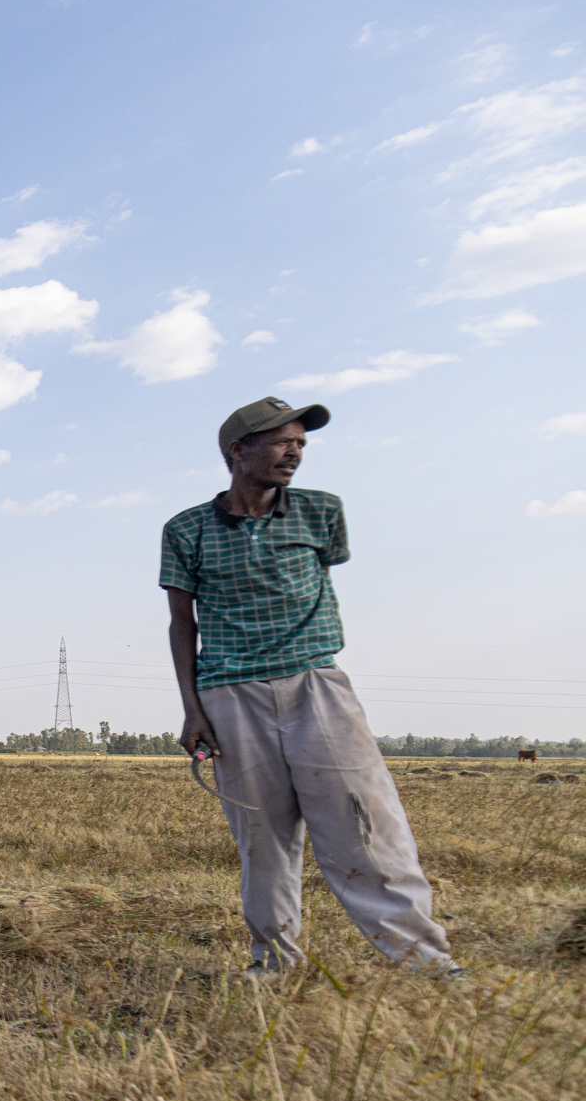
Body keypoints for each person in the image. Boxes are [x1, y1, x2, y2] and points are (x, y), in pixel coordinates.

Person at [162, 396, 456, 975]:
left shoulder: (321, 512)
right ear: (237, 451)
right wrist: (192, 709)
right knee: (262, 839)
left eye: (301, 442)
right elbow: (182, 623)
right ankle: (273, 964)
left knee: (364, 825)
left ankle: (426, 964)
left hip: (316, 684)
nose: (295, 451)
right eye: (280, 441)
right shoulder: (187, 529)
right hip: (230, 693)